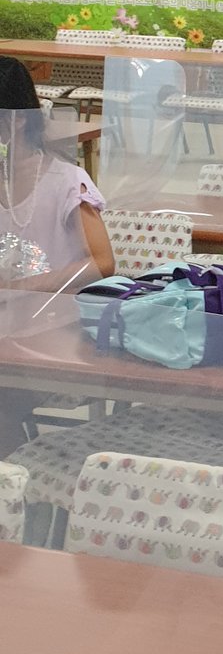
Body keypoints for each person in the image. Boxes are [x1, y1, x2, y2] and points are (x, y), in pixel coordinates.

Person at [0, 55, 113, 456]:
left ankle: (14, 480)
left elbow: (102, 263)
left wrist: (25, 287)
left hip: (52, 328)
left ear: (15, 121)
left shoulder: (66, 180)